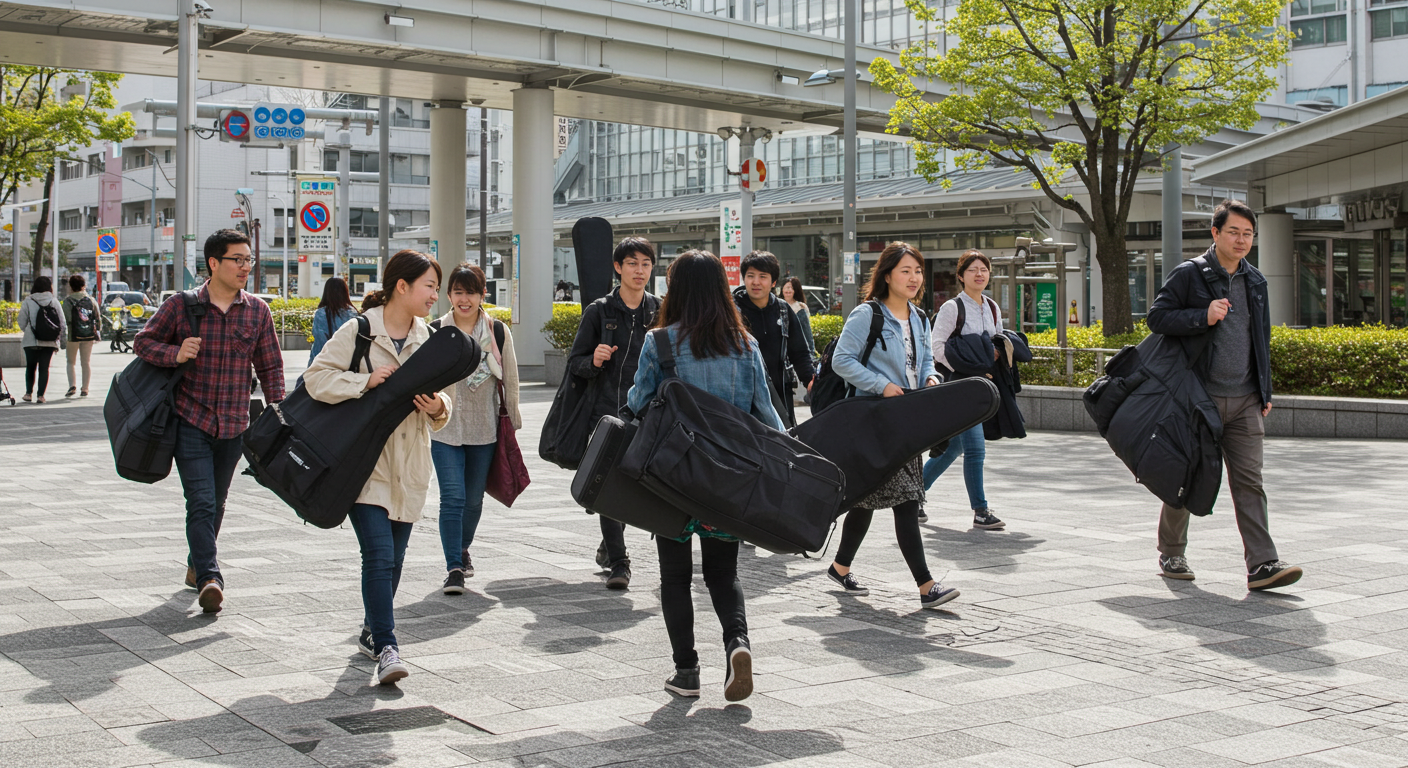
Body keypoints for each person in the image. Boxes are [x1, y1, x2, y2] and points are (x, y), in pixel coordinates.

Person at [626, 249, 781, 703]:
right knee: (722, 572)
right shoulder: (745, 344)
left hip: (672, 480)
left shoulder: (660, 343)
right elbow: (766, 417)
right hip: (727, 481)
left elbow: (637, 404)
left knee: (674, 577)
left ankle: (686, 671)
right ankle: (737, 643)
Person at [304, 249, 451, 685]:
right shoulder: (360, 331)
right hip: (363, 464)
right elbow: (316, 378)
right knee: (379, 554)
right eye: (429, 286)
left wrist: (437, 405)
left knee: (397, 557)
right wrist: (363, 381)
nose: (434, 295)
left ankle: (371, 629)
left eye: (436, 288)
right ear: (401, 286)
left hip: (411, 465)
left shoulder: (433, 338)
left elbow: (448, 403)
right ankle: (388, 644)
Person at [1147, 200, 1301, 591]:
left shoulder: (1257, 281)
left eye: (1248, 234)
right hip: (1200, 397)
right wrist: (1203, 315)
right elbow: (1157, 318)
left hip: (1247, 397)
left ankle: (1262, 565)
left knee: (1250, 480)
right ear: (1215, 234)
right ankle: (1172, 551)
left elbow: (1260, 340)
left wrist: (1264, 388)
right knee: (1188, 474)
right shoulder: (1190, 274)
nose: (1242, 239)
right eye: (1234, 232)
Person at [133, 229, 286, 614]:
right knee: (200, 500)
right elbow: (143, 342)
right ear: (214, 263)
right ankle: (210, 578)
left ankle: (195, 563)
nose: (245, 267)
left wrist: (280, 413)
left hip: (235, 425)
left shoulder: (257, 310)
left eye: (249, 260)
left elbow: (270, 367)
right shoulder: (180, 306)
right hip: (190, 420)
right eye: (238, 260)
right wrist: (175, 352)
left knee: (216, 503)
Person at [826, 242, 959, 610]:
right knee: (905, 500)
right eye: (905, 271)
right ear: (887, 275)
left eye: (917, 271)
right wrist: (880, 385)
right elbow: (842, 360)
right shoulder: (867, 314)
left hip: (908, 421)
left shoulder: (919, 317)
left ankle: (840, 566)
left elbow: (926, 362)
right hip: (874, 419)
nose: (914, 278)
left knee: (867, 500)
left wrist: (931, 379)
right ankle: (925, 585)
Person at [565, 236, 661, 590]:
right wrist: (593, 360)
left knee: (638, 485)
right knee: (606, 484)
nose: (639, 270)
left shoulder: (660, 310)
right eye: (632, 263)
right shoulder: (599, 311)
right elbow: (575, 362)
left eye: (645, 264)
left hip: (649, 414)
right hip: (605, 414)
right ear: (618, 268)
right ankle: (620, 562)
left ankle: (611, 540)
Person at [430, 263, 521, 594]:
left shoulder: (497, 331)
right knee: (452, 497)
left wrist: (514, 417)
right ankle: (453, 566)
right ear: (449, 294)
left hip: (484, 427)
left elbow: (510, 377)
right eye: (457, 292)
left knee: (473, 501)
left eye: (470, 292)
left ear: (483, 294)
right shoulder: (436, 330)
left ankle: (463, 548)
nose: (463, 299)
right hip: (444, 427)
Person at [921, 250, 1007, 531]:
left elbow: (997, 341)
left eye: (984, 269)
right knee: (975, 449)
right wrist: (964, 366)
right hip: (958, 387)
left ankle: (913, 496)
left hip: (983, 388)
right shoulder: (951, 308)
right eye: (973, 270)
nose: (979, 274)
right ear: (961, 276)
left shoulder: (993, 307)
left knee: (955, 447)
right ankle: (980, 510)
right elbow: (937, 347)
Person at [732, 251, 815, 426]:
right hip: (742, 399)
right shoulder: (731, 312)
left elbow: (799, 353)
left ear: (773, 282)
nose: (756, 282)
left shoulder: (783, 310)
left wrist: (810, 381)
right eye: (750, 276)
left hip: (779, 397)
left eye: (763, 276)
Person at [17, 276, 64, 404]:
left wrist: (28, 331)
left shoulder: (28, 301)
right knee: (44, 368)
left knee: (30, 367)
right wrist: (58, 338)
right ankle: (41, 396)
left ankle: (28, 393)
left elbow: (21, 321)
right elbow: (62, 322)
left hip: (31, 340)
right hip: (49, 341)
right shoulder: (54, 301)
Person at [62, 274, 100, 397]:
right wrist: (97, 331)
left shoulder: (68, 301)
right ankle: (85, 389)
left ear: (71, 287)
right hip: (88, 335)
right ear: (84, 286)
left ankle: (72, 385)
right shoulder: (91, 300)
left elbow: (65, 319)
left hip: (73, 335)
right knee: (86, 362)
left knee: (70, 362)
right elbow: (97, 318)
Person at [309, 277, 357, 368]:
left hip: (328, 365)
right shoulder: (354, 313)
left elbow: (320, 344)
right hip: (349, 364)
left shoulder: (322, 314)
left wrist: (313, 367)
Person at [780, 276, 816, 358]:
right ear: (782, 289)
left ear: (796, 290)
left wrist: (811, 353)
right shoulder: (776, 305)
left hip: (797, 352)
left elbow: (807, 333)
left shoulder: (801, 307)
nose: (788, 290)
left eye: (791, 288)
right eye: (786, 287)